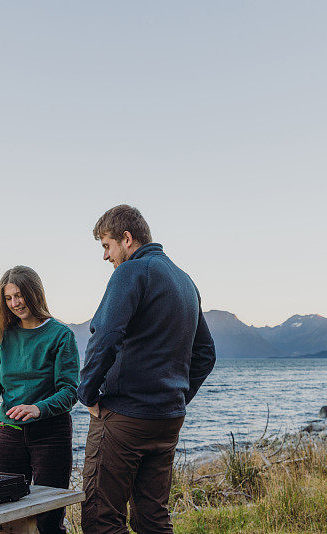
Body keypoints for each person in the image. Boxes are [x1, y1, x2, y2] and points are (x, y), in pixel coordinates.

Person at [78, 205, 216, 534]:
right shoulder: (185, 280)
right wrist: (175, 396)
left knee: (101, 518)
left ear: (127, 239)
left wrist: (87, 394)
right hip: (167, 420)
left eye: (106, 246)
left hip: (125, 418)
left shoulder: (130, 273)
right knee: (152, 517)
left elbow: (106, 337)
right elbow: (206, 353)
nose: (105, 256)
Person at [0, 266, 80, 534]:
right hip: (7, 436)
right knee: (6, 513)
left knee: (48, 518)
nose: (15, 303)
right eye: (9, 298)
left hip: (50, 435)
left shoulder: (60, 335)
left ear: (35, 293)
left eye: (20, 295)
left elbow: (69, 391)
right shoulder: (2, 336)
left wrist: (38, 409)